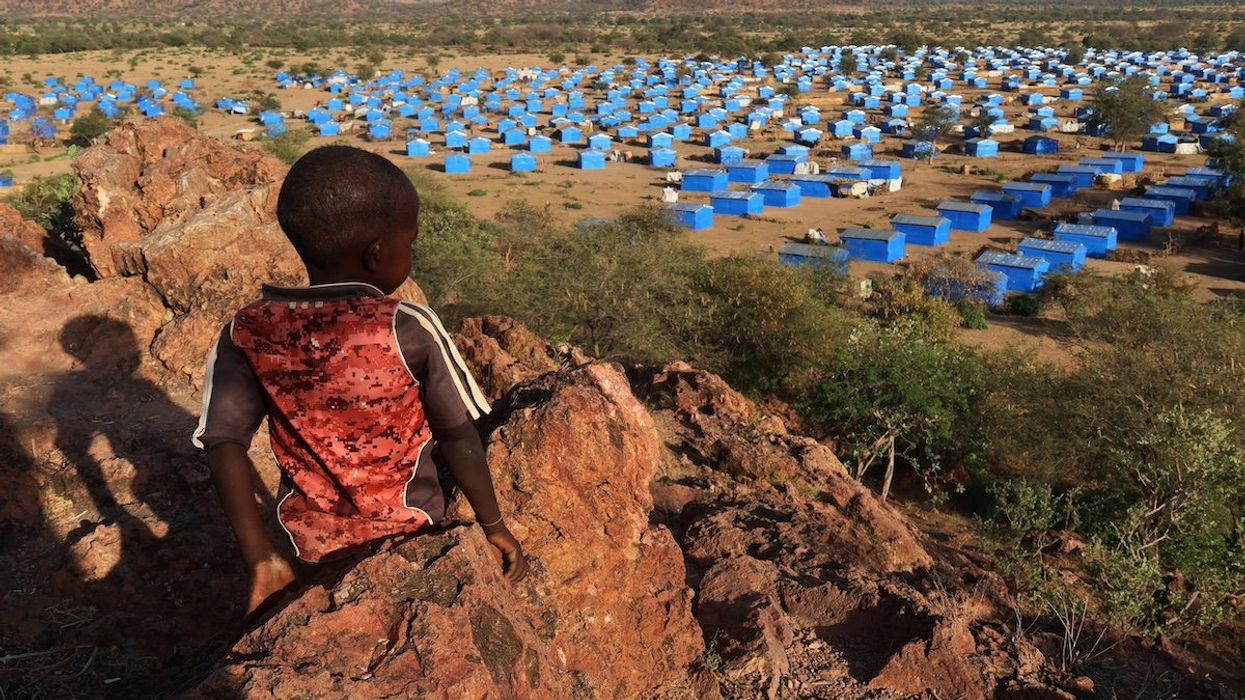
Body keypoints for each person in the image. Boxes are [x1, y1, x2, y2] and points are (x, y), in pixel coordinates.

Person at [194, 146, 527, 615]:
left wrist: (261, 557)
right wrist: (493, 524)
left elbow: (223, 440)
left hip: (309, 548)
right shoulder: (406, 326)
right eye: (408, 241)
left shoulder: (249, 329)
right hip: (412, 538)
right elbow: (459, 436)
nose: (410, 250)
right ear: (376, 254)